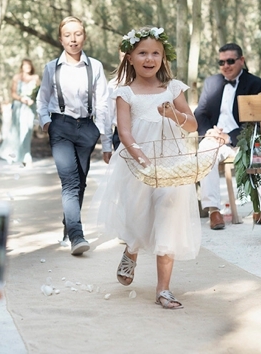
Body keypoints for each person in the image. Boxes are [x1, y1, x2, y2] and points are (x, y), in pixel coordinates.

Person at [98, 27, 200, 309]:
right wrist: (141, 158)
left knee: (169, 212)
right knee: (139, 215)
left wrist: (174, 113)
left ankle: (163, 289)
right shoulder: (125, 93)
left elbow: (193, 126)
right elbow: (125, 131)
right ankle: (131, 248)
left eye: (155, 53)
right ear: (129, 57)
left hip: (172, 161)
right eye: (142, 53)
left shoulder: (173, 88)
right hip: (139, 161)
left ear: (163, 56)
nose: (149, 58)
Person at [37, 15, 110, 255]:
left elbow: (103, 104)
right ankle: (77, 236)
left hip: (87, 129)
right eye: (68, 35)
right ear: (61, 39)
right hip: (61, 127)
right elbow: (43, 97)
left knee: (80, 181)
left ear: (84, 36)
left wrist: (105, 138)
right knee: (69, 181)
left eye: (77, 34)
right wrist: (47, 122)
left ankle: (68, 227)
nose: (73, 39)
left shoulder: (95, 67)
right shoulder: (52, 67)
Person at [193, 43, 261, 228]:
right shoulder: (211, 83)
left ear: (241, 61)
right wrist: (209, 132)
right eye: (221, 62)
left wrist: (230, 137)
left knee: (258, 150)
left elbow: (257, 123)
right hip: (215, 138)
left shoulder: (257, 84)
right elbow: (200, 113)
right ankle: (214, 211)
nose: (225, 65)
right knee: (204, 149)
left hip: (243, 140)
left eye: (230, 61)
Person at [0, 58, 39, 166]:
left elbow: (40, 91)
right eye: (25, 65)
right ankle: (15, 155)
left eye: (29, 65)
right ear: (22, 66)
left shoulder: (35, 78)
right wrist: (22, 99)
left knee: (27, 131)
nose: (27, 67)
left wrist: (33, 99)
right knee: (17, 131)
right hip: (19, 107)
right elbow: (13, 93)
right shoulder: (17, 78)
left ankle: (26, 156)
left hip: (30, 107)